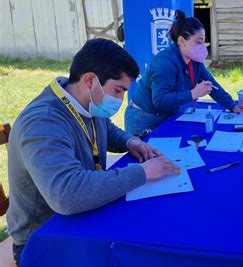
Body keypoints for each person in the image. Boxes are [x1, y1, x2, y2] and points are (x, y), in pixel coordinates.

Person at [7, 39, 181, 265]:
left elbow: (104, 127)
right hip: (44, 238)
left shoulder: (84, 100)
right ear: (90, 80)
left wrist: (130, 142)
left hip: (79, 218)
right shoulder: (43, 121)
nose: (121, 100)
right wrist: (143, 172)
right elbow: (67, 195)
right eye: (118, 90)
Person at [125, 10, 243, 135]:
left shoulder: (194, 60)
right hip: (144, 119)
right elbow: (160, 101)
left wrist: (232, 106)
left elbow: (211, 85)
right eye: (198, 41)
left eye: (203, 41)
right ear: (181, 41)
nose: (203, 47)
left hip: (168, 114)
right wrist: (193, 93)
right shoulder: (164, 63)